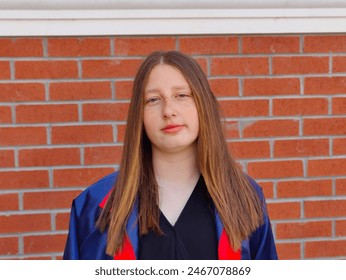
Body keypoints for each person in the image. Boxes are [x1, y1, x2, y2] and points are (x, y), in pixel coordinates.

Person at [63, 50, 278, 260]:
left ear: (203, 104)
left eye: (182, 95)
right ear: (140, 115)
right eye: (154, 100)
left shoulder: (246, 197)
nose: (169, 110)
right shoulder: (94, 206)